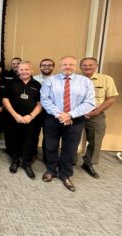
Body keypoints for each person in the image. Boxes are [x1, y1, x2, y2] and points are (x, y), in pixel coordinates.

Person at [41, 56, 95, 192]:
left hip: (75, 120)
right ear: (60, 66)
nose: (67, 67)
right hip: (53, 118)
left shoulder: (85, 82)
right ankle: (51, 170)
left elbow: (89, 102)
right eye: (65, 64)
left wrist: (70, 115)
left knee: (70, 149)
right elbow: (45, 99)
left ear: (75, 66)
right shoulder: (50, 81)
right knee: (50, 146)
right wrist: (61, 115)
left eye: (71, 64)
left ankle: (65, 175)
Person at [80, 57, 118, 178]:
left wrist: (96, 112)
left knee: (96, 139)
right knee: (71, 138)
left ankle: (88, 163)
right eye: (84, 65)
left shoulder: (106, 79)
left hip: (95, 114)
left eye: (90, 65)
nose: (87, 67)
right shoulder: (75, 79)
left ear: (96, 66)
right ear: (80, 67)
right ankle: (70, 161)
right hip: (76, 114)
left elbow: (110, 99)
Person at [3, 61, 42, 179]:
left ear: (32, 70)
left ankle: (26, 164)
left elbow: (40, 104)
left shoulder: (37, 85)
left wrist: (30, 116)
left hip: (30, 120)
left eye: (26, 69)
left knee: (29, 141)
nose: (24, 72)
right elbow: (5, 100)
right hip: (13, 118)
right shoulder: (11, 83)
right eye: (21, 69)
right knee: (13, 140)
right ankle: (15, 161)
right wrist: (15, 115)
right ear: (18, 71)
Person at [32, 58, 55, 161]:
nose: (46, 67)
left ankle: (47, 156)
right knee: (34, 133)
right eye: (44, 65)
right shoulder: (34, 79)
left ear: (53, 67)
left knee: (49, 135)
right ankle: (33, 153)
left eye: (49, 65)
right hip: (36, 110)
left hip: (50, 112)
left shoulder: (57, 79)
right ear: (40, 67)